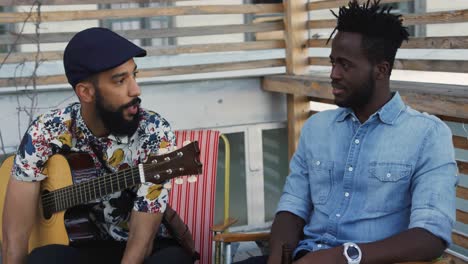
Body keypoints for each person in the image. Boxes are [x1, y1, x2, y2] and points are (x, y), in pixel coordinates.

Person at [237, 0, 457, 263]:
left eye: (345, 65)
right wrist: (277, 255)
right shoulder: (317, 128)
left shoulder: (427, 135)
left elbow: (430, 235)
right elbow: (292, 206)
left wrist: (343, 256)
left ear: (381, 70)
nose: (333, 74)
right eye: (332, 63)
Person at [2, 27, 193, 264]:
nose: (136, 89)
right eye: (120, 80)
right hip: (84, 244)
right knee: (44, 259)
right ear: (86, 92)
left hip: (145, 247)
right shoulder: (47, 131)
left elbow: (141, 242)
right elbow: (15, 238)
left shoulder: (154, 131)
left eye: (134, 75)